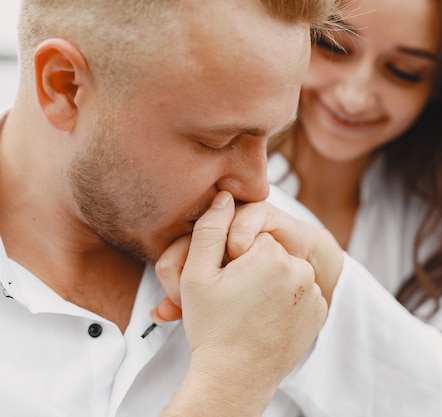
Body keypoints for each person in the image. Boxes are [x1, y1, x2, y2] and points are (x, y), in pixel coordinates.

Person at [0, 0, 346, 416]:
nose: (259, 187)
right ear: (65, 87)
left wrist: (333, 275)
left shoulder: (282, 249)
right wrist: (230, 385)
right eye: (215, 142)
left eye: (270, 139)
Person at [267, 0, 442, 412]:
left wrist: (330, 273)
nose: (354, 96)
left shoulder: (431, 216)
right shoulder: (221, 181)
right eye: (334, 46)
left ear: (440, 86)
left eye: (403, 72)